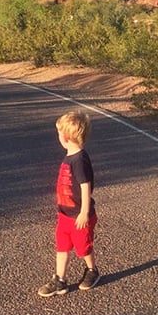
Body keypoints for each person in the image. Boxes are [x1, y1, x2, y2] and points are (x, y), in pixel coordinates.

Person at [38, 111, 100, 297]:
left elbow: (85, 186)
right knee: (62, 246)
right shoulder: (70, 155)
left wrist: (84, 212)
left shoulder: (79, 160)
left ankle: (92, 270)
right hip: (64, 214)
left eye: (59, 133)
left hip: (79, 216)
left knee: (83, 248)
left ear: (65, 137)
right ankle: (60, 280)